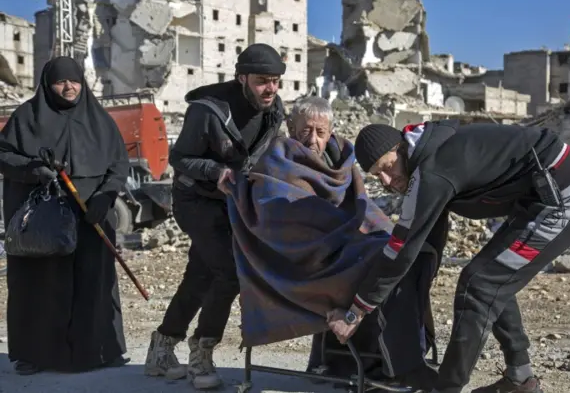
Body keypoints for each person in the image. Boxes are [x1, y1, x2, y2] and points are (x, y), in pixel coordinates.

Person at [327, 121, 570, 393]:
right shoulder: (429, 149)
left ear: (400, 148)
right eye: (377, 176)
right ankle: (520, 379)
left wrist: (356, 311)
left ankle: (447, 388)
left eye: (387, 167)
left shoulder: (432, 172)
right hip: (540, 197)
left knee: (480, 285)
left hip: (564, 197)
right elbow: (421, 243)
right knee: (488, 275)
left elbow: (401, 249)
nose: (386, 181)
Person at [144, 43, 286, 390]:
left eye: (276, 81)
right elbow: (179, 159)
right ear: (242, 79)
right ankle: (202, 352)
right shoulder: (207, 112)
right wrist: (216, 171)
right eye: (262, 81)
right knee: (228, 272)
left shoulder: (273, 110)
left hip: (232, 200)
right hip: (195, 198)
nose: (270, 89)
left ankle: (161, 349)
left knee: (200, 275)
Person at [287, 97, 443, 389]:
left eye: (320, 132)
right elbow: (286, 220)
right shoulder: (281, 163)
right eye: (305, 130)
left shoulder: (340, 163)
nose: (312, 140)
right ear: (291, 128)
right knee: (382, 263)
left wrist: (390, 236)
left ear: (330, 133)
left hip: (345, 248)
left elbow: (363, 209)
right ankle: (395, 365)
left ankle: (395, 359)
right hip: (311, 256)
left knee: (403, 254)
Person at [0, 56, 130, 375]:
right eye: (61, 81)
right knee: (41, 284)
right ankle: (35, 355)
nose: (69, 87)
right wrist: (34, 169)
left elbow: (118, 165)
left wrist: (105, 196)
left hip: (92, 217)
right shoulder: (26, 117)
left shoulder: (100, 120)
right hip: (46, 219)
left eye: (74, 81)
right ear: (48, 84)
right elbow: (4, 156)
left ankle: (101, 351)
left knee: (94, 283)